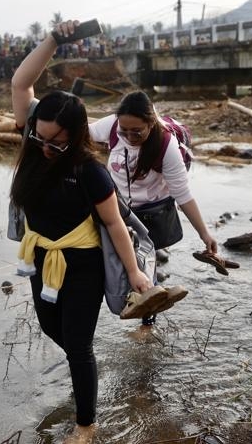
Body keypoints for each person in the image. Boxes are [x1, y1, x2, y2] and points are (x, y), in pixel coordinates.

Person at [10, 20, 159, 444]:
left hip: (83, 267)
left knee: (77, 344)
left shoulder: (89, 171)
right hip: (42, 259)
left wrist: (135, 274)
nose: (44, 147)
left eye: (55, 142)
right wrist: (55, 39)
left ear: (74, 136)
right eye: (39, 137)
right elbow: (22, 84)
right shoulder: (34, 144)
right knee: (51, 328)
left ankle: (86, 425)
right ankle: (88, 366)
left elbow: (114, 224)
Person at [88, 90, 219, 327]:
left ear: (151, 123)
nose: (128, 136)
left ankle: (148, 322)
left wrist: (204, 233)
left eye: (136, 131)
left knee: (146, 264)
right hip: (117, 207)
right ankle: (125, 301)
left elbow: (183, 194)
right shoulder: (112, 126)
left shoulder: (166, 146)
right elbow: (81, 133)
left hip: (151, 211)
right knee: (114, 259)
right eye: (123, 131)